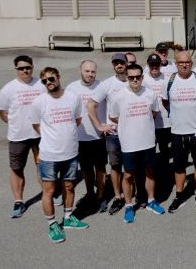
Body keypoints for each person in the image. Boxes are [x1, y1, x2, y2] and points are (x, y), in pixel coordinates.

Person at [31, 67, 88, 243]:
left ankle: (69, 217)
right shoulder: (39, 102)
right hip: (49, 155)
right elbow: (36, 125)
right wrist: (53, 137)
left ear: (58, 77)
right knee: (48, 191)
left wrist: (65, 136)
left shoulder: (73, 97)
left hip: (70, 152)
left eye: (51, 78)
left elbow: (77, 120)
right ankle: (52, 224)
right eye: (44, 81)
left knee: (69, 186)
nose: (48, 82)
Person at [110, 64, 165, 223]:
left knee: (149, 172)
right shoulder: (118, 96)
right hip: (129, 143)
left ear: (142, 77)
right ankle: (128, 205)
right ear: (126, 77)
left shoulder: (151, 94)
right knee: (128, 175)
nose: (135, 80)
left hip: (147, 141)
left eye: (138, 77)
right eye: (131, 77)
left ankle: (151, 201)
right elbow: (114, 116)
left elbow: (153, 113)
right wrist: (129, 124)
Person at [161, 51, 196, 213]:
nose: (184, 65)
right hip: (177, 132)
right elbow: (165, 101)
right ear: (176, 64)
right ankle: (179, 195)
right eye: (181, 62)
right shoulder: (169, 81)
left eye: (187, 62)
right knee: (179, 167)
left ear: (191, 63)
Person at [0, 55, 45, 218]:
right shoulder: (8, 89)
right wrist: (12, 121)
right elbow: (1, 111)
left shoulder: (41, 84)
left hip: (40, 134)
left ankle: (48, 193)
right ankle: (18, 201)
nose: (25, 70)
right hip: (18, 136)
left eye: (28, 67)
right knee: (17, 169)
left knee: (43, 166)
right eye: (21, 68)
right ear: (16, 69)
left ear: (32, 67)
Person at [87, 53, 129, 215]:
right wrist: (100, 126)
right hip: (114, 134)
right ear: (113, 66)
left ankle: (134, 196)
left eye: (122, 62)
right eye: (116, 63)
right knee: (116, 166)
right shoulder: (107, 84)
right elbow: (91, 105)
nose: (119, 65)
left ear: (127, 63)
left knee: (133, 167)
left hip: (133, 134)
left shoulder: (136, 80)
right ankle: (118, 197)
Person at [66, 60, 108, 212]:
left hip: (98, 136)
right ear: (80, 70)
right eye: (87, 71)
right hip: (80, 137)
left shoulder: (102, 86)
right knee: (86, 170)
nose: (90, 74)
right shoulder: (71, 88)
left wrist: (106, 125)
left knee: (101, 169)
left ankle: (101, 197)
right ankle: (90, 193)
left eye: (93, 72)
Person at [142, 54, 172, 199]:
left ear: (161, 65)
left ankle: (166, 176)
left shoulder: (166, 79)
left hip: (165, 121)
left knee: (165, 150)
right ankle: (152, 177)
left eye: (157, 65)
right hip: (148, 123)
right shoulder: (143, 79)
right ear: (148, 65)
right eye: (152, 65)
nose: (154, 67)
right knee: (150, 152)